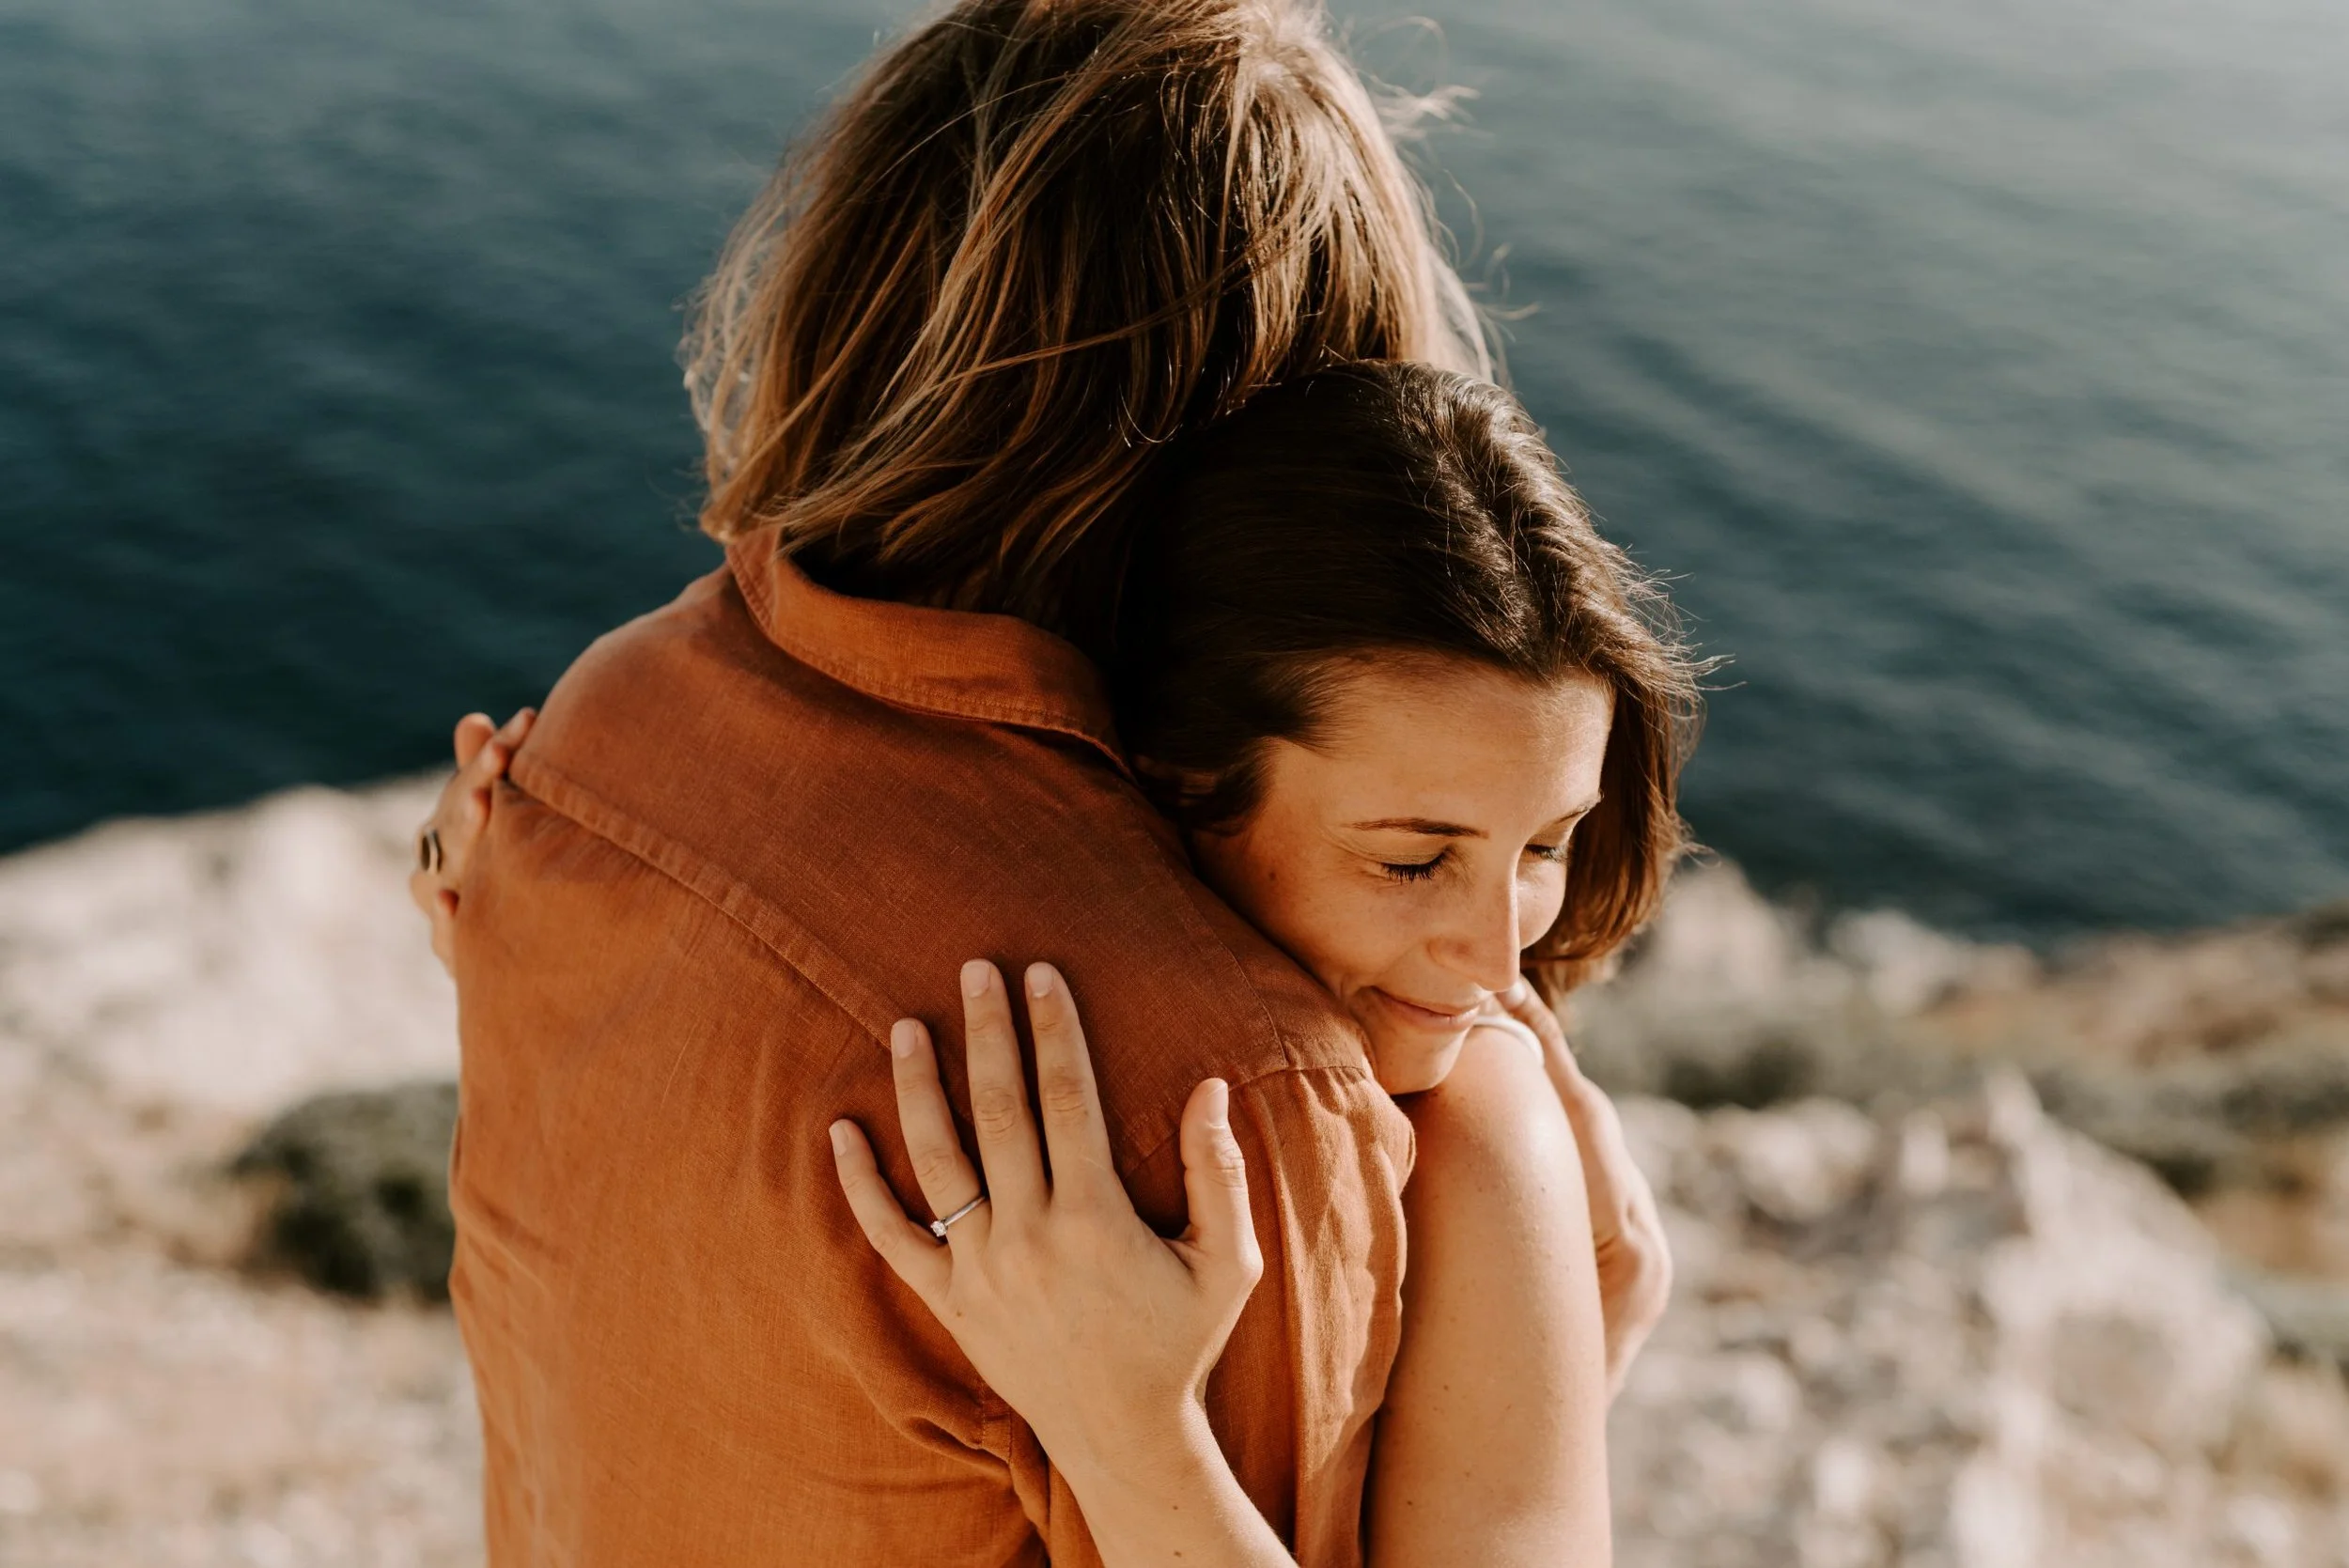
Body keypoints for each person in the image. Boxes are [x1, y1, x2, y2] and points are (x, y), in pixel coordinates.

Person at [414, 3, 1672, 1562]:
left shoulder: (589, 743)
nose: (1495, 960)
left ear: (859, 303)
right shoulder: (1213, 1104)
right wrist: (1531, 1290)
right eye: (1415, 858)